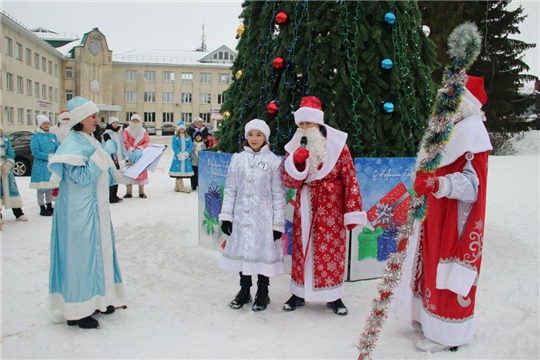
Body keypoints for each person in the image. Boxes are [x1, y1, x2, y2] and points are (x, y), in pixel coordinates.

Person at [391, 76, 492, 352]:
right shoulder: (448, 128)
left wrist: (438, 184)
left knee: (445, 270)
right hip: (433, 212)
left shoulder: (472, 132)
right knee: (428, 265)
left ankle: (448, 334)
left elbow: (473, 186)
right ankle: (426, 318)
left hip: (454, 218)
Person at [281, 96, 366, 316]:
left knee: (331, 250)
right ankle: (298, 293)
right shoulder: (293, 146)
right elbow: (288, 181)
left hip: (332, 206)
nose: (304, 127)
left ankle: (333, 296)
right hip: (305, 205)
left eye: (308, 123)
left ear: (318, 123)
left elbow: (350, 177)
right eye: (301, 123)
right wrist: (297, 163)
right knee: (301, 249)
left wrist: (353, 211)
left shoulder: (338, 146)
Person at [48, 96, 125, 329]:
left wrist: (126, 166)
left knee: (99, 253)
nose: (96, 120)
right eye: (93, 116)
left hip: (96, 210)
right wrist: (101, 157)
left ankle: (100, 300)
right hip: (78, 213)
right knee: (80, 258)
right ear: (81, 119)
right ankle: (77, 310)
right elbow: (79, 177)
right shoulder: (73, 143)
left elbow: (103, 173)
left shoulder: (88, 139)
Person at [218, 119, 286, 312]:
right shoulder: (237, 159)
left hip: (264, 218)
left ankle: (263, 292)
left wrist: (277, 224)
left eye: (258, 135)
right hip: (241, 217)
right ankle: (244, 290)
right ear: (246, 136)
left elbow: (278, 194)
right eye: (250, 134)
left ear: (265, 137)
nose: (254, 139)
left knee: (262, 254)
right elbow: (230, 189)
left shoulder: (273, 161)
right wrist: (227, 216)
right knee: (243, 253)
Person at [30, 115, 59, 216]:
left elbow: (57, 148)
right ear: (40, 125)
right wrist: (47, 156)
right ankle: (42, 207)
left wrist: (56, 156)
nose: (46, 125)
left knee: (50, 187)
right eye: (44, 123)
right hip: (41, 165)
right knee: (41, 187)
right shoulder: (36, 137)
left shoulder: (53, 136)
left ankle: (49, 205)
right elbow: (35, 151)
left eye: (47, 123)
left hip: (50, 165)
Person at [0, 123, 29, 223]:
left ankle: (18, 213)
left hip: (5, 169)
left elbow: (10, 152)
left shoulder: (5, 138)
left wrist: (8, 164)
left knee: (11, 191)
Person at [122, 114, 150, 198]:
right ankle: (128, 192)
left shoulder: (144, 131)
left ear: (139, 122)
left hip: (141, 154)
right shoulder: (126, 131)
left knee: (141, 171)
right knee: (129, 172)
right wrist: (130, 149)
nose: (135, 122)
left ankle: (141, 192)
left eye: (137, 120)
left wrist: (140, 148)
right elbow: (125, 141)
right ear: (131, 121)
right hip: (130, 154)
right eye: (133, 120)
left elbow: (147, 141)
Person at [102, 116, 129, 203]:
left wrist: (126, 156)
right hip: (111, 159)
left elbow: (122, 146)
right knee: (111, 177)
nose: (116, 124)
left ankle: (115, 195)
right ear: (110, 124)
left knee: (117, 177)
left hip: (119, 158)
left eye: (117, 122)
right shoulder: (106, 134)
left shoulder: (119, 133)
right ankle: (110, 196)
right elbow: (108, 147)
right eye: (114, 123)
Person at [169, 121, 194, 193]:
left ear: (185, 129)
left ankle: (177, 186)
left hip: (185, 157)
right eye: (180, 129)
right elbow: (174, 146)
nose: (181, 130)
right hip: (178, 157)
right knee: (178, 171)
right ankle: (181, 186)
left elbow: (190, 146)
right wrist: (179, 154)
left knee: (183, 171)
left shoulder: (188, 137)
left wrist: (186, 154)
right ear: (178, 129)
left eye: (183, 129)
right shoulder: (175, 137)